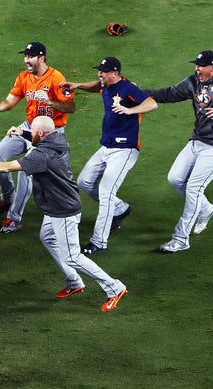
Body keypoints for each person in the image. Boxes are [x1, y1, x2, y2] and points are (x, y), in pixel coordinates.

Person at [0, 116, 128, 312]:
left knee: (72, 257)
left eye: (31, 132)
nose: (30, 134)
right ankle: (74, 282)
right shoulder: (59, 140)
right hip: (56, 205)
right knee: (47, 237)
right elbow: (39, 137)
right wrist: (21, 133)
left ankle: (114, 287)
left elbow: (7, 166)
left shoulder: (42, 155)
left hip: (63, 210)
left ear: (41, 134)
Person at [144, 50, 213, 252]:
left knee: (194, 189)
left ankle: (181, 239)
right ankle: (206, 209)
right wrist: (141, 93)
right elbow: (169, 93)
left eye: (201, 66)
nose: (197, 69)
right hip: (197, 141)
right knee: (175, 179)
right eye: (196, 65)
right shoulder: (193, 82)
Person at [0, 42, 75, 233]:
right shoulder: (24, 77)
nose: (26, 60)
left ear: (41, 58)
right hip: (28, 127)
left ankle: (14, 218)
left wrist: (49, 101)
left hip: (49, 132)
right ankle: (7, 199)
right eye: (25, 55)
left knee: (25, 172)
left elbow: (70, 107)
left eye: (30, 56)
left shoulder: (56, 78)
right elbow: (9, 102)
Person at [59, 57, 158, 254]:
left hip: (125, 150)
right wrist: (77, 85)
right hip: (106, 147)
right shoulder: (105, 85)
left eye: (103, 71)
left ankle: (99, 241)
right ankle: (120, 209)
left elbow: (152, 104)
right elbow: (96, 86)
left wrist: (130, 110)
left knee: (106, 193)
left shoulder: (128, 88)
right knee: (85, 181)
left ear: (115, 73)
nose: (99, 74)